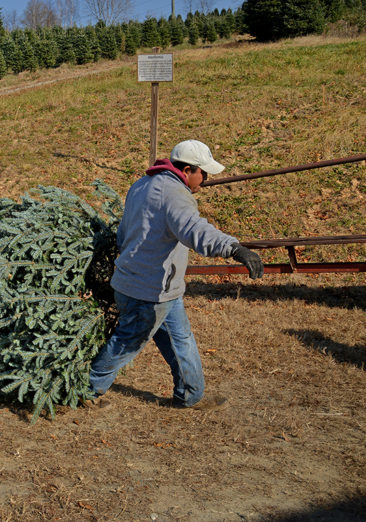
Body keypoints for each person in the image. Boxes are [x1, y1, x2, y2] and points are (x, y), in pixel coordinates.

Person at [87, 140, 264, 410]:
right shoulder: (174, 194)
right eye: (202, 173)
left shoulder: (141, 185)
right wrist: (234, 248)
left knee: (181, 340)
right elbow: (195, 230)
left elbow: (124, 233)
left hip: (158, 287)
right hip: (146, 291)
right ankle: (86, 390)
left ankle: (190, 396)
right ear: (187, 170)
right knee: (126, 343)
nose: (204, 181)